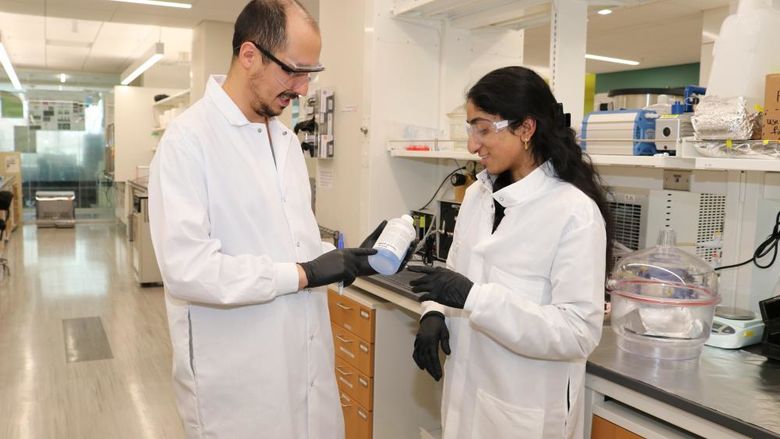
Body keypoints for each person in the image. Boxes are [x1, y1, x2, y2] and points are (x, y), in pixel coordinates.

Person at [148, 1, 384, 437]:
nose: (302, 89)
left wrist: (344, 260)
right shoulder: (188, 141)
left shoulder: (288, 142)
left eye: (311, 74)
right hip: (238, 388)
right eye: (294, 71)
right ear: (250, 55)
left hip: (306, 369)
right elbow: (187, 270)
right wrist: (302, 273)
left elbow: (295, 247)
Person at [409, 66, 614, 439]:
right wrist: (435, 312)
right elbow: (454, 273)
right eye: (471, 128)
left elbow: (577, 332)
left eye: (483, 128)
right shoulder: (478, 195)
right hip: (465, 398)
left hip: (523, 412)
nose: (472, 144)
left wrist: (476, 298)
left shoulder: (574, 213)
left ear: (526, 128)